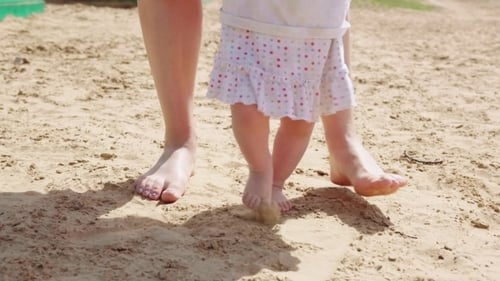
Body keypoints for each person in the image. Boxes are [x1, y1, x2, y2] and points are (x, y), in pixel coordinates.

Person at [134, 0, 407, 211]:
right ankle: (191, 144)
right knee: (248, 108)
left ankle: (328, 152)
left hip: (314, 30)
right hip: (252, 22)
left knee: (302, 116)